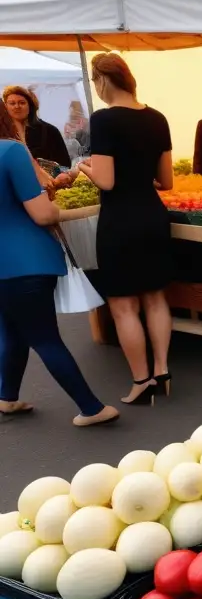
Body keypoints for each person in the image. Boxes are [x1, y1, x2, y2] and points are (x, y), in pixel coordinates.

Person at [0, 99, 117, 426]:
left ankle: (6, 398)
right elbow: (42, 213)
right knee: (45, 337)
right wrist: (51, 204)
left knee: (10, 331)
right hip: (26, 262)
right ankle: (92, 408)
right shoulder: (10, 151)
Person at [76, 53, 175, 407]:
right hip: (152, 214)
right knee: (155, 297)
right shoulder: (157, 118)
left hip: (119, 220)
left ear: (102, 80)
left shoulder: (103, 120)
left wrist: (85, 168)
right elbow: (166, 181)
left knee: (122, 305)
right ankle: (162, 370)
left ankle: (141, 379)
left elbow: (106, 179)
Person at [3, 86, 72, 167]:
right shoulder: (3, 132)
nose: (17, 106)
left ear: (30, 106)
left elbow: (64, 164)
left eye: (22, 102)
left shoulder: (49, 131)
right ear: (5, 107)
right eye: (12, 103)